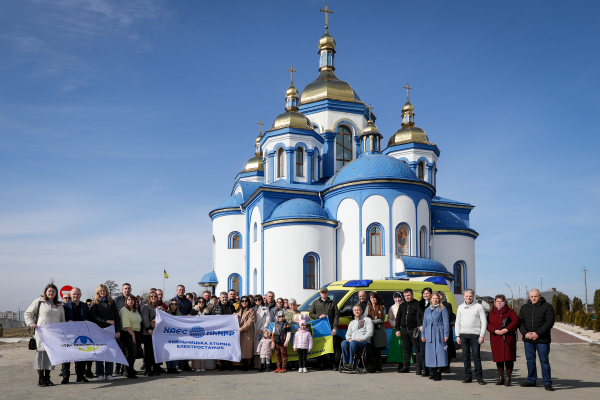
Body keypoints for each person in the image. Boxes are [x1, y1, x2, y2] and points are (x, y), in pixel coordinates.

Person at [25, 283, 66, 387]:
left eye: (53, 291)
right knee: (41, 356)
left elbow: (62, 321)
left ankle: (48, 379)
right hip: (42, 334)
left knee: (51, 357)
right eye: (49, 291)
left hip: (54, 335)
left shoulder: (59, 305)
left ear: (56, 293)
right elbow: (28, 313)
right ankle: (41, 379)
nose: (51, 293)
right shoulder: (39, 302)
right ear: (46, 292)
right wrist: (31, 324)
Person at [518, 289, 555, 391]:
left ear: (540, 296)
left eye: (535, 296)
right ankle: (531, 380)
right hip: (528, 339)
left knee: (544, 361)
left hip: (542, 339)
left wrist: (537, 333)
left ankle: (547, 383)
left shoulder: (548, 307)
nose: (533, 299)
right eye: (531, 297)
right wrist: (525, 334)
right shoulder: (524, 307)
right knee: (530, 360)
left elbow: (549, 322)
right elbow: (520, 323)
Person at [89, 284, 121, 381]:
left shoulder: (111, 302)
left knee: (109, 352)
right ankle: (99, 374)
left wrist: (118, 331)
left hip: (110, 331)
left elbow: (117, 317)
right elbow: (93, 316)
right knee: (99, 353)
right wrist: (106, 321)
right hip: (99, 331)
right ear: (98, 292)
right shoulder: (95, 303)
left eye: (104, 290)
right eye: (100, 291)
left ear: (107, 291)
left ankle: (109, 373)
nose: (102, 292)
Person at [455, 289, 487, 385]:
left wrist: (482, 335)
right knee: (465, 356)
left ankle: (479, 378)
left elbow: (484, 322)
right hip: (463, 334)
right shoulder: (460, 307)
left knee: (476, 356)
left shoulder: (479, 307)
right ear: (464, 296)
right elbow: (457, 322)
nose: (468, 298)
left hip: (475, 335)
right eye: (466, 296)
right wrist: (457, 335)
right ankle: (468, 376)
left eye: (470, 296)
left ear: (473, 296)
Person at [487, 294, 519, 386]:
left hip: (508, 338)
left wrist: (506, 329)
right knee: (499, 358)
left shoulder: (510, 311)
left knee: (509, 358)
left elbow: (516, 321)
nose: (499, 303)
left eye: (501, 301)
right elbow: (488, 324)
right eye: (497, 301)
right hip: (496, 338)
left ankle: (508, 378)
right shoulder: (490, 313)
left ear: (504, 302)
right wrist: (495, 330)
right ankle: (500, 377)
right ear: (494, 302)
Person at [61, 287, 88, 384]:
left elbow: (88, 317)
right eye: (73, 294)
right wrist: (67, 321)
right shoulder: (65, 306)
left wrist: (87, 321)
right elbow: (61, 319)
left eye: (77, 294)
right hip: (68, 335)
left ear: (80, 295)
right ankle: (65, 377)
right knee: (67, 356)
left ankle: (80, 376)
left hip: (81, 334)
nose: (75, 296)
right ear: (71, 295)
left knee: (80, 356)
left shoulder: (84, 306)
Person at [308, 287, 339, 370]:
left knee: (331, 346)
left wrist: (335, 327)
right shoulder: (316, 303)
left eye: (325, 292)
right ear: (320, 293)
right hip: (320, 329)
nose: (324, 294)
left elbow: (336, 315)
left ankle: (333, 364)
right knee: (321, 346)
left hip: (330, 328)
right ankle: (322, 364)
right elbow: (311, 313)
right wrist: (318, 316)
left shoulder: (332, 303)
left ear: (327, 293)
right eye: (322, 292)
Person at [421, 291, 449, 381]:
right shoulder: (427, 310)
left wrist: (446, 334)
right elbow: (424, 323)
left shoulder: (443, 309)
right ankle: (433, 371)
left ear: (439, 299)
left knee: (440, 352)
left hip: (439, 331)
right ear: (430, 299)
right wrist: (423, 334)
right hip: (429, 332)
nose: (435, 300)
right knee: (431, 353)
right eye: (433, 298)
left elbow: (446, 323)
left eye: (437, 298)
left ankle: (438, 371)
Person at [395, 288, 422, 374]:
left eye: (408, 295)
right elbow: (398, 318)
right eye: (405, 296)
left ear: (412, 295)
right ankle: (406, 367)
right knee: (406, 350)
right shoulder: (402, 305)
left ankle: (419, 368)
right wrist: (397, 329)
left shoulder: (417, 304)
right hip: (404, 330)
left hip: (414, 330)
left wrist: (419, 326)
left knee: (418, 350)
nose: (407, 297)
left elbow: (419, 317)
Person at [341, 305, 373, 370]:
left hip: (364, 342)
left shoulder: (367, 320)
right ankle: (345, 363)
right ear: (353, 312)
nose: (357, 311)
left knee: (353, 342)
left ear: (362, 311)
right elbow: (347, 334)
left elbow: (370, 333)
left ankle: (351, 363)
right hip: (353, 341)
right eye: (355, 310)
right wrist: (349, 339)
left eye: (358, 310)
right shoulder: (352, 322)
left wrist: (360, 339)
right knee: (344, 342)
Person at [212, 291, 236, 371]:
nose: (224, 299)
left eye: (226, 297)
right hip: (220, 331)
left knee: (229, 347)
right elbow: (212, 318)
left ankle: (229, 364)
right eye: (223, 297)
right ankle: (222, 364)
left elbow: (235, 316)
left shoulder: (231, 306)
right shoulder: (215, 307)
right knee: (221, 347)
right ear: (220, 298)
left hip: (229, 330)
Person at [119, 294, 142, 379]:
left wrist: (136, 334)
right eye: (128, 299)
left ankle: (130, 369)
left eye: (132, 300)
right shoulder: (124, 310)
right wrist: (132, 334)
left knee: (132, 352)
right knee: (132, 351)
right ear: (126, 301)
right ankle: (128, 371)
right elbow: (126, 324)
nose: (130, 301)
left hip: (136, 332)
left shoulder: (135, 310)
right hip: (127, 332)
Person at [113, 282, 131, 376]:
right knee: (119, 349)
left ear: (131, 289)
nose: (127, 290)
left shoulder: (133, 299)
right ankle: (117, 367)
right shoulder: (116, 300)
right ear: (122, 290)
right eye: (125, 288)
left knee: (127, 350)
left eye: (128, 288)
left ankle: (126, 368)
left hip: (129, 329)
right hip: (119, 328)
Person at [141, 291, 160, 376]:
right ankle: (148, 369)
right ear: (149, 298)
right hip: (148, 333)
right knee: (149, 352)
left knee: (156, 351)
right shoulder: (146, 307)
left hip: (157, 333)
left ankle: (156, 368)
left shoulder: (158, 307)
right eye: (151, 296)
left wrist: (161, 311)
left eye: (155, 296)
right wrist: (148, 328)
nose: (153, 298)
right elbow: (145, 318)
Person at [386, 292, 407, 366]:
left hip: (405, 329)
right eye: (396, 298)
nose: (397, 299)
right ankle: (399, 364)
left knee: (405, 347)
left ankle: (406, 363)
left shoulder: (406, 305)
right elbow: (390, 319)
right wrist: (397, 325)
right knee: (398, 347)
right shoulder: (392, 307)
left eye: (399, 297)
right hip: (396, 330)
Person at [191, 297, 210, 372]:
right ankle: (196, 367)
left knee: (203, 349)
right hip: (195, 332)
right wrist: (194, 317)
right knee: (196, 350)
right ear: (197, 302)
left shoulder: (207, 311)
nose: (201, 303)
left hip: (204, 333)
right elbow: (189, 320)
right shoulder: (193, 310)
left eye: (202, 302)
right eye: (199, 302)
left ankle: (202, 366)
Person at [417, 287, 433, 377]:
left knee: (430, 351)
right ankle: (425, 370)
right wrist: (420, 326)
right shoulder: (420, 303)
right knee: (423, 351)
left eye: (427, 293)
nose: (425, 295)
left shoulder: (433, 303)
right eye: (424, 293)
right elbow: (418, 316)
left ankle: (431, 371)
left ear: (431, 294)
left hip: (431, 330)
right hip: (422, 330)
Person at [237, 296, 256, 371]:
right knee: (241, 348)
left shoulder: (251, 310)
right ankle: (243, 364)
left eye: (245, 301)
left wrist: (244, 328)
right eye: (242, 301)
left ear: (248, 302)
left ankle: (246, 365)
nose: (244, 302)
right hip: (239, 331)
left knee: (247, 348)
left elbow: (251, 320)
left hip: (246, 331)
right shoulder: (239, 310)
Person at [439, 291, 457, 371]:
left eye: (439, 296)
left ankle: (447, 366)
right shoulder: (433, 305)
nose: (437, 298)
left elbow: (448, 316)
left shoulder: (447, 305)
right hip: (437, 330)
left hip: (445, 329)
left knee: (447, 348)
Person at [253, 295, 271, 368]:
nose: (257, 301)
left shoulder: (265, 309)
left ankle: (262, 365)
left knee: (262, 348)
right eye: (256, 299)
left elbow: (268, 320)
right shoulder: (252, 309)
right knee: (255, 348)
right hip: (253, 330)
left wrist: (262, 329)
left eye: (259, 299)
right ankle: (255, 365)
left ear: (262, 300)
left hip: (261, 330)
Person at [165, 300, 181, 374]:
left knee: (175, 352)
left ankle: (174, 367)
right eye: (172, 304)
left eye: (175, 304)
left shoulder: (180, 314)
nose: (174, 305)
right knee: (168, 353)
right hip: (168, 336)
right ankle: (169, 367)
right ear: (169, 305)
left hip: (177, 336)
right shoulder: (165, 314)